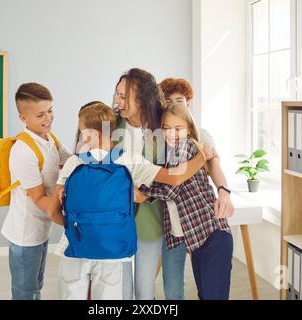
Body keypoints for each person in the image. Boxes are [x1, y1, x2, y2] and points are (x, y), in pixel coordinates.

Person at [47, 102, 211, 299]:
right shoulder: (128, 159)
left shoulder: (74, 162)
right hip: (113, 251)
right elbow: (174, 177)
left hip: (74, 246)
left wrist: (76, 226)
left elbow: (52, 211)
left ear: (93, 135)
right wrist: (202, 158)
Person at [137, 103, 234, 300]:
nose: (171, 134)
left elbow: (170, 189)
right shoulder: (170, 154)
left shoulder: (185, 148)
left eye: (178, 129)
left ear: (189, 129)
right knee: (206, 295)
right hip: (199, 241)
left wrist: (143, 192)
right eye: (166, 128)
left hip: (213, 236)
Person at [0, 83, 70, 300]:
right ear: (23, 118)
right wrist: (74, 224)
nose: (48, 118)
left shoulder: (50, 138)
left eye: (50, 110)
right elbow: (41, 199)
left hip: (41, 229)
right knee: (25, 292)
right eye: (40, 114)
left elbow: (71, 162)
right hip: (25, 235)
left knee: (36, 286)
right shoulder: (22, 152)